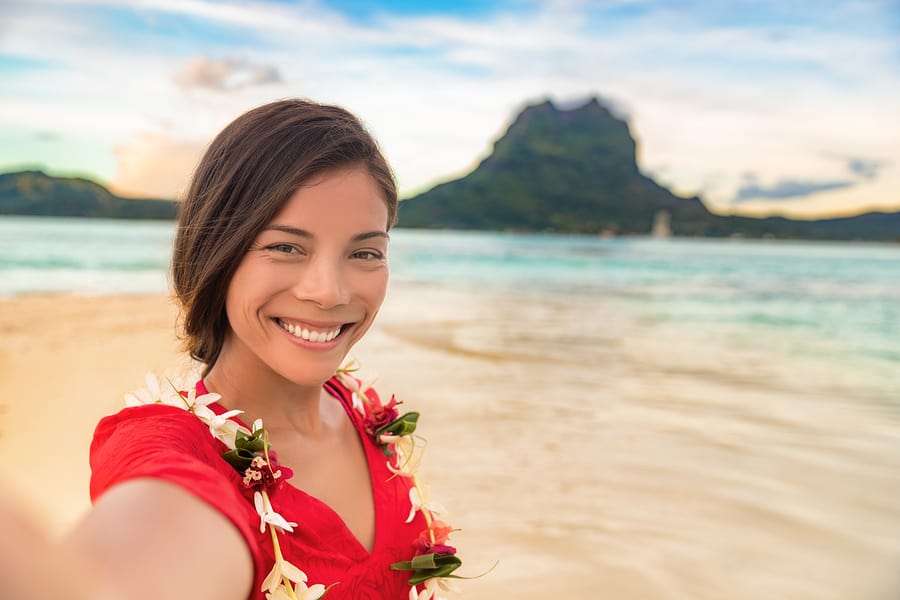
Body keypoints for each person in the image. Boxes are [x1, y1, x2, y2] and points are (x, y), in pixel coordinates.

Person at [2, 99, 462, 600]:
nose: (329, 292)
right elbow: (128, 572)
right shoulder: (173, 448)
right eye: (285, 247)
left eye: (364, 252)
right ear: (217, 254)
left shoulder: (367, 413)